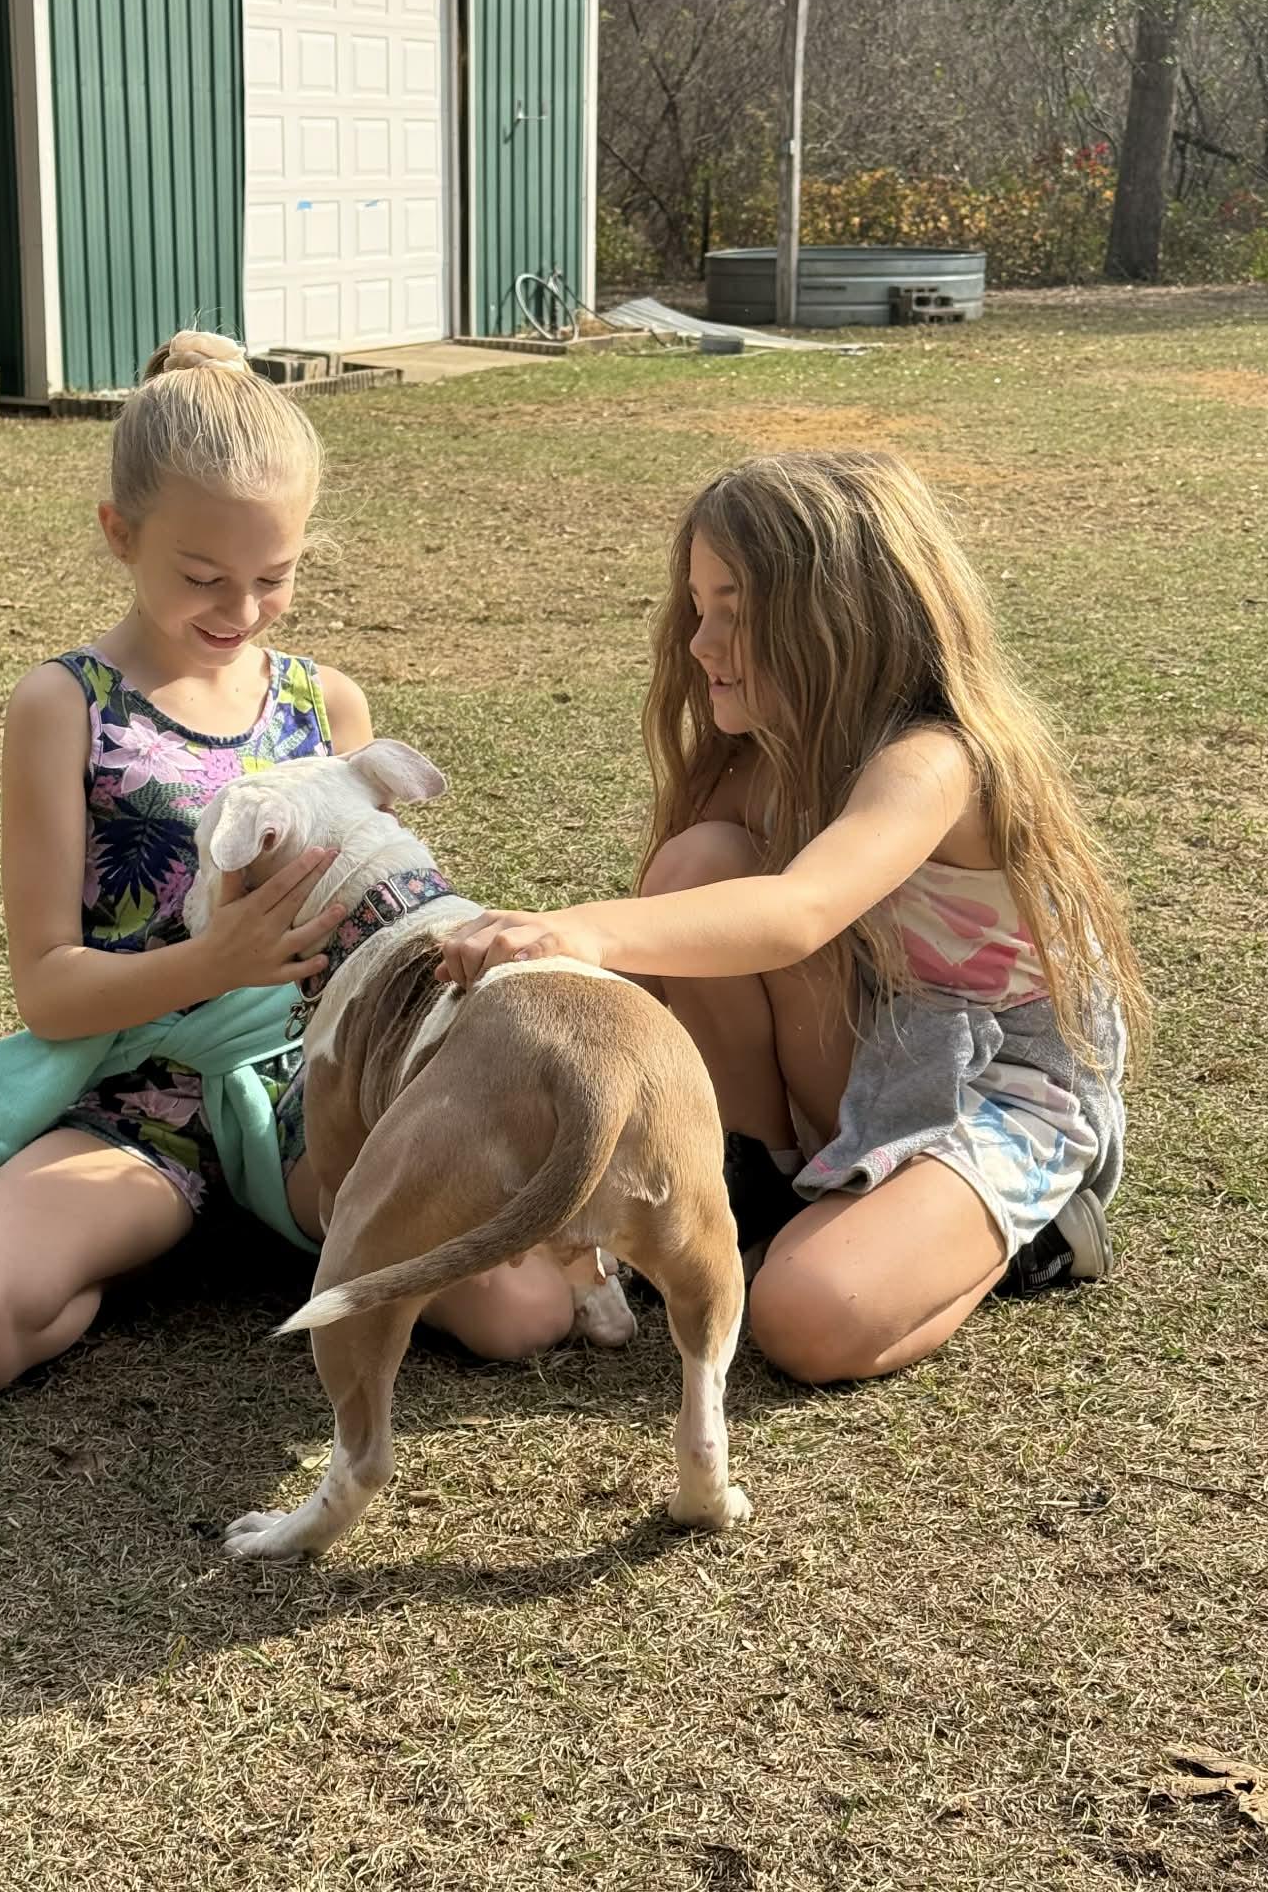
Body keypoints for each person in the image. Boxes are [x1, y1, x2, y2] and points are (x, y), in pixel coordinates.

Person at [0, 331, 573, 1395]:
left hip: (324, 1088)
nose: (242, 610)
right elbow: (48, 986)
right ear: (119, 532)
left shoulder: (326, 703)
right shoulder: (63, 706)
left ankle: (287, 1216)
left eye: (275, 575)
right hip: (146, 1104)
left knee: (524, 1312)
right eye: (204, 576)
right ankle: (178, 1230)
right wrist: (213, 960)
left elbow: (393, 921)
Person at [438, 452, 1146, 1385]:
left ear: (843, 620)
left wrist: (583, 929)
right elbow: (711, 932)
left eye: (736, 610)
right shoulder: (769, 755)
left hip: (998, 1084)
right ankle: (761, 1186)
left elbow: (798, 913)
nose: (700, 641)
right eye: (698, 606)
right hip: (878, 1036)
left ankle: (1038, 1235)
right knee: (698, 870)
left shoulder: (935, 760)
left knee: (805, 1319)